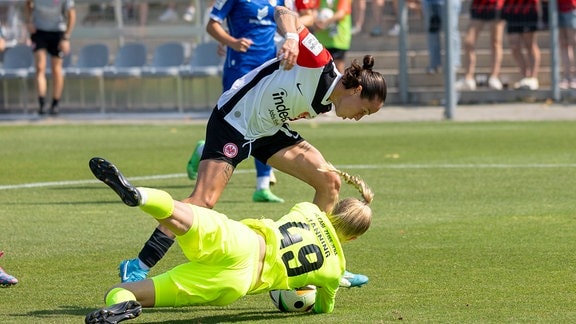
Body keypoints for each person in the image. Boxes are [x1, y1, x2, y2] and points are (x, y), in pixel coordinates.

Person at [115, 5, 386, 290]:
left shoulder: (330, 101)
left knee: (329, 182)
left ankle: (316, 263)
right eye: (363, 111)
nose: (358, 118)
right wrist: (292, 38)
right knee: (203, 202)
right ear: (356, 90)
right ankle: (138, 265)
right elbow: (283, 11)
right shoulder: (318, 61)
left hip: (269, 130)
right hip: (235, 120)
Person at [85, 157, 373, 323]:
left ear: (338, 209)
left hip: (242, 240)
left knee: (182, 215)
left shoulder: (308, 209)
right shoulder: (335, 269)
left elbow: (309, 226)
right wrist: (326, 285)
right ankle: (121, 303)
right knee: (126, 290)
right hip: (239, 281)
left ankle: (141, 196)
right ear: (356, 238)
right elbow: (325, 308)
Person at [187, 0, 290, 204]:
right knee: (233, 126)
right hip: (240, 66)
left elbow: (285, 21)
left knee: (265, 121)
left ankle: (262, 186)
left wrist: (289, 40)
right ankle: (203, 150)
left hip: (267, 68)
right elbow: (212, 24)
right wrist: (231, 42)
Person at [25, 0, 76, 115]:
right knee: (39, 66)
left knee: (56, 69)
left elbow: (72, 14)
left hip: (57, 32)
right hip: (39, 31)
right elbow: (27, 4)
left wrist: (66, 37)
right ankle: (42, 103)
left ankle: (55, 104)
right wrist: (29, 21)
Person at [456, 0, 505, 90]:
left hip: (496, 5)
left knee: (496, 41)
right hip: (479, 5)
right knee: (468, 41)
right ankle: (468, 78)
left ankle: (494, 76)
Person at [502, 0, 542, 90]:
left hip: (528, 9)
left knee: (530, 44)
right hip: (511, 9)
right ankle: (525, 76)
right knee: (514, 46)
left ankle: (533, 77)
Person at [421, 0, 461, 74]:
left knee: (451, 32)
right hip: (429, 2)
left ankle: (454, 63)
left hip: (449, 2)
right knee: (432, 33)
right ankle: (434, 64)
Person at [314, 0, 352, 73]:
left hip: (338, 40)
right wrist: (316, 22)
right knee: (322, 70)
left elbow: (341, 13)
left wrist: (325, 23)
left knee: (338, 69)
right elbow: (314, 11)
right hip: (322, 40)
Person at [558, 0, 576, 89]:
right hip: (557, 10)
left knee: (573, 43)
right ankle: (567, 77)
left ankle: (573, 77)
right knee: (563, 45)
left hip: (571, 9)